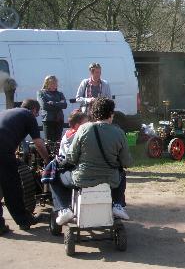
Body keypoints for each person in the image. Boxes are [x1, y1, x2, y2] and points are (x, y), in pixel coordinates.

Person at [50, 98, 131, 225]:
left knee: (54, 176)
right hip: (110, 180)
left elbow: (71, 157)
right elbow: (126, 162)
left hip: (82, 178)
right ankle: (117, 204)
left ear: (93, 113)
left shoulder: (83, 129)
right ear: (111, 114)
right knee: (122, 174)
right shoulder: (119, 132)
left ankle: (64, 208)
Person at [0, 99, 50, 233]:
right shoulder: (28, 115)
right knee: (12, 187)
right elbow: (38, 143)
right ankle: (24, 220)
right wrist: (47, 160)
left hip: (4, 149)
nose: (36, 116)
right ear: (34, 110)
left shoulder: (8, 112)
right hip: (3, 151)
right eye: (37, 114)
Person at [37, 75, 67, 142]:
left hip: (59, 119)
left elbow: (64, 105)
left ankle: (57, 152)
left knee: (58, 140)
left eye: (56, 83)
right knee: (49, 141)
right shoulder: (41, 93)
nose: (55, 85)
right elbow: (44, 106)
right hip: (48, 120)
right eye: (52, 83)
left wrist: (53, 103)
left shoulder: (60, 94)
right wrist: (59, 104)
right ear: (47, 83)